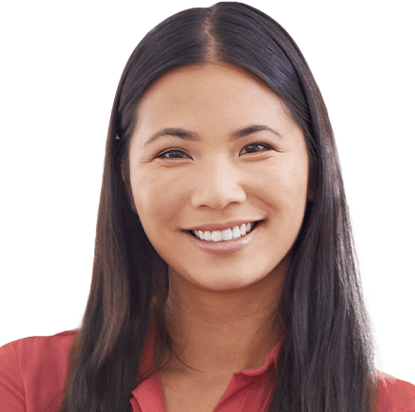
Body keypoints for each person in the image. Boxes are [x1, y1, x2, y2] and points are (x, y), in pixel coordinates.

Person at [0, 2, 414, 412]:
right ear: (125, 180)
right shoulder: (25, 384)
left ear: (315, 168)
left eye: (256, 147)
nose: (217, 193)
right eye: (173, 153)